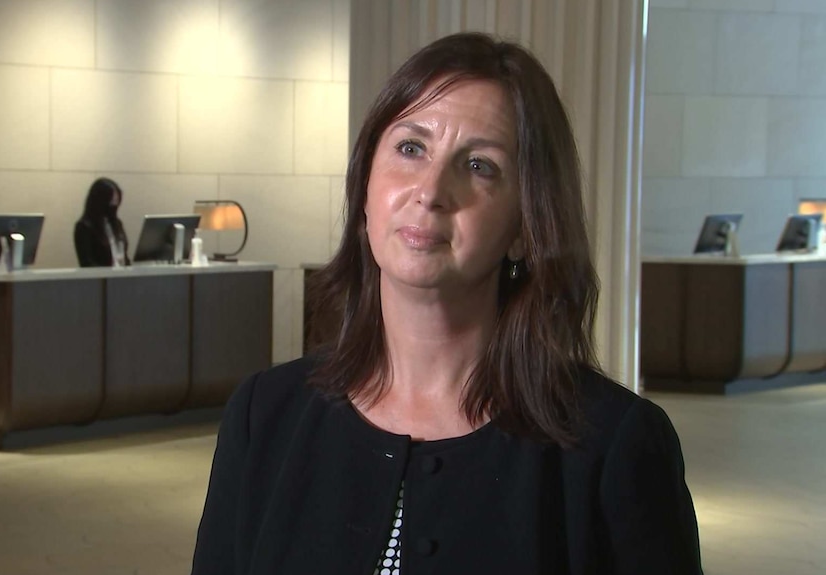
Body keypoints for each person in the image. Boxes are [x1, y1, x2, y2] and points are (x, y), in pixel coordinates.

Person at [191, 32, 703, 574]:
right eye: (411, 148)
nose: (431, 190)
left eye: (479, 165)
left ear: (525, 228)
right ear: (366, 185)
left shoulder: (614, 445)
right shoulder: (264, 414)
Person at [74, 177, 129, 267]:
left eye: (116, 203)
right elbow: (87, 263)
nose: (113, 208)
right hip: (100, 277)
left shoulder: (117, 224)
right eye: (110, 203)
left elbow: (123, 254)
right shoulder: (84, 227)